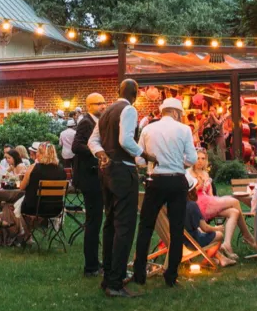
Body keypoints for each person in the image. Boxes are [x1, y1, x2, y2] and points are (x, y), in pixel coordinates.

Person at [133, 97, 197, 288]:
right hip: (177, 180)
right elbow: (192, 158)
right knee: (176, 229)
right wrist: (179, 163)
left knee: (146, 226)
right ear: (176, 113)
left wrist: (151, 163)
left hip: (156, 179)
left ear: (162, 111)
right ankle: (171, 275)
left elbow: (139, 160)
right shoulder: (184, 130)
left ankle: (139, 273)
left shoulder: (148, 129)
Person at [90, 79, 143, 298]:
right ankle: (115, 281)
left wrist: (101, 154)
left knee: (110, 223)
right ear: (136, 93)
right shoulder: (128, 110)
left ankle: (108, 276)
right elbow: (126, 141)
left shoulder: (106, 111)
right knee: (125, 226)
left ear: (117, 91)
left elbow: (93, 141)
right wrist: (144, 153)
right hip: (124, 171)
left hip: (106, 172)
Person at [186, 148, 257, 253]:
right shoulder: (188, 173)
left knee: (234, 212)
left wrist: (207, 188)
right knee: (235, 201)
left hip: (209, 203)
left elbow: (210, 195)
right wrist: (198, 187)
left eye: (203, 158)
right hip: (197, 205)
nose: (200, 161)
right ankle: (247, 236)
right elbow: (188, 195)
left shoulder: (205, 174)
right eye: (197, 158)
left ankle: (227, 244)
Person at [73, 92, 107, 278]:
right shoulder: (86, 122)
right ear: (89, 106)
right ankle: (91, 265)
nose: (103, 106)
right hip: (89, 178)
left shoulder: (95, 122)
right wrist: (97, 151)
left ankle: (94, 262)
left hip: (95, 177)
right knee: (93, 222)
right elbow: (76, 146)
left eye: (104, 103)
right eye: (98, 103)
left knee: (95, 221)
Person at [19, 142, 67, 238]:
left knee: (15, 206)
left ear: (41, 154)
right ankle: (27, 235)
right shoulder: (61, 170)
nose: (36, 154)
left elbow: (21, 187)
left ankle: (26, 235)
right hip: (55, 208)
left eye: (38, 152)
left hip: (33, 207)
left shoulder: (33, 168)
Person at [184, 176, 235, 267]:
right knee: (219, 235)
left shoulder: (172, 204)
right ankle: (205, 262)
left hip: (178, 242)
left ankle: (221, 258)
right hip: (191, 243)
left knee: (200, 230)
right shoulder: (192, 206)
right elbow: (206, 228)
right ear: (191, 190)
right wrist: (216, 228)